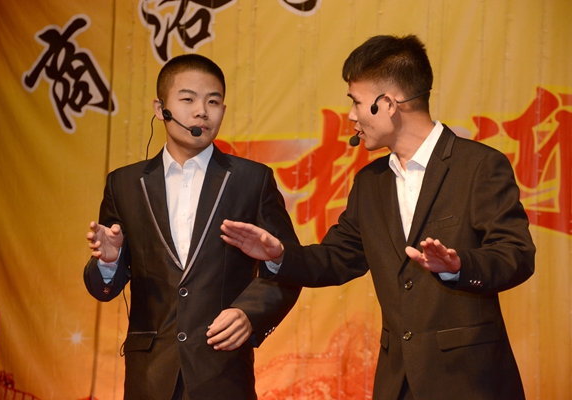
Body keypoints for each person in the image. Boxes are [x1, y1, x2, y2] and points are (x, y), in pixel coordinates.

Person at [220, 35, 535, 400]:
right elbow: (339, 258)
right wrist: (279, 255)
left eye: (356, 101)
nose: (351, 115)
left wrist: (458, 265)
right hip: (396, 381)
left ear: (387, 104)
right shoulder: (371, 182)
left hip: (470, 381)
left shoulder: (479, 166)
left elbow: (516, 254)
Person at [84, 53, 301, 400]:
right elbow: (102, 289)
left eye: (213, 102)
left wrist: (249, 313)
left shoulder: (251, 180)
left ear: (223, 111)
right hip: (149, 377)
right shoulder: (124, 184)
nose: (202, 112)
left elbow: (289, 266)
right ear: (161, 109)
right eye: (188, 100)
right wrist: (109, 263)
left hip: (223, 373)